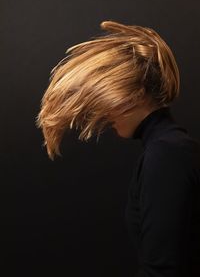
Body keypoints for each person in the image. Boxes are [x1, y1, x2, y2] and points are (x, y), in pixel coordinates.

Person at [35, 20, 200, 276]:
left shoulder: (167, 154)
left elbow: (163, 269)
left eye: (107, 100)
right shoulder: (170, 148)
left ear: (136, 95)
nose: (103, 114)